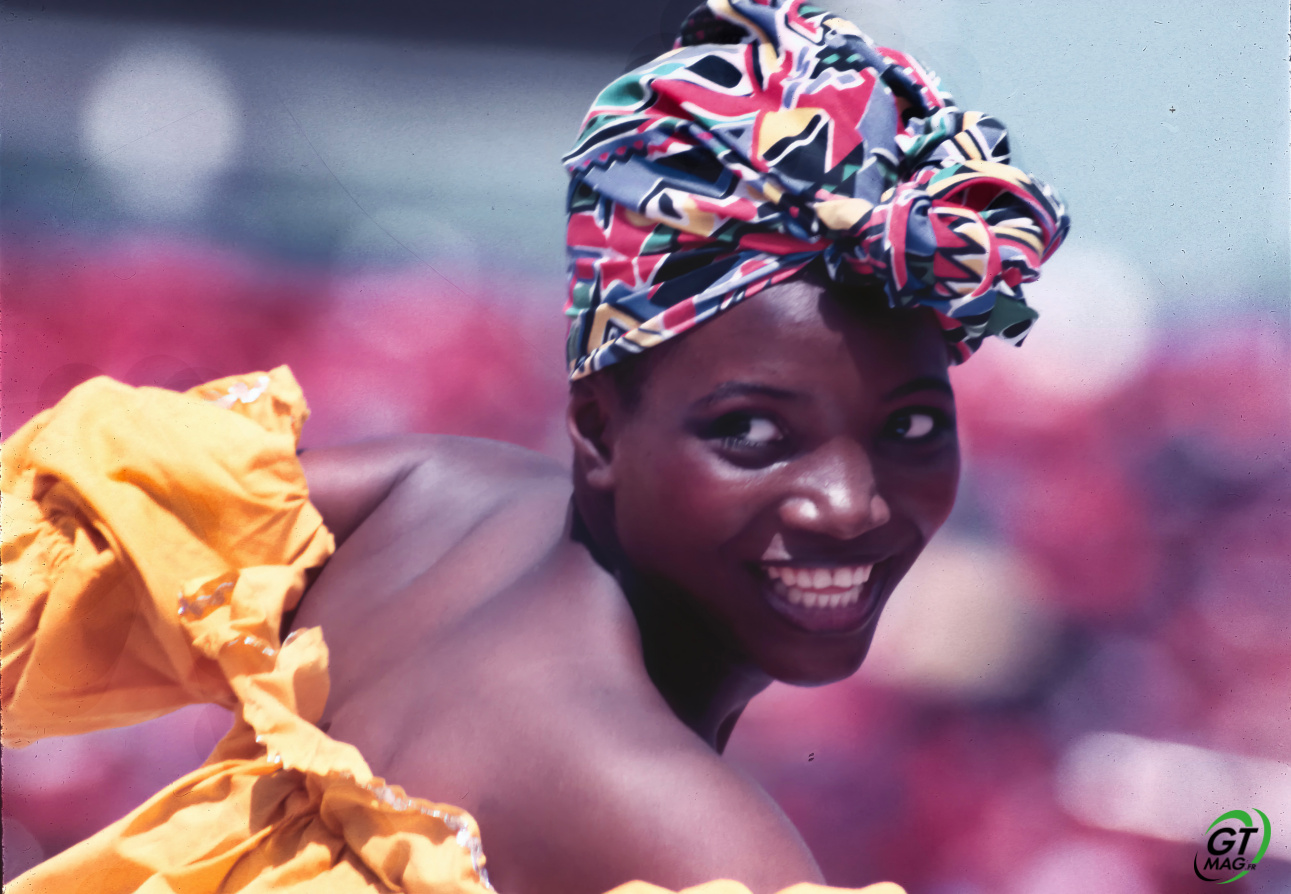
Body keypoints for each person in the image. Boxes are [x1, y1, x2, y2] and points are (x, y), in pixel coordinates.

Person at [0, 1, 1068, 892]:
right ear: (597, 426)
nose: (847, 502)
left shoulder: (422, 500)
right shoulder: (684, 839)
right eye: (750, 432)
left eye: (910, 427)